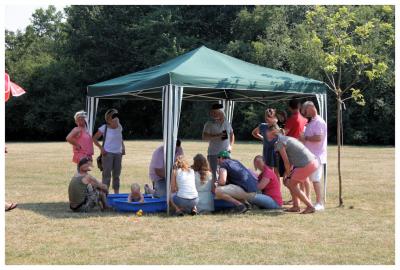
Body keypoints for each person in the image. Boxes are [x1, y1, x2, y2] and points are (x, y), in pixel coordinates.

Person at [267, 124, 318, 214]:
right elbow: (290, 160)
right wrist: (289, 174)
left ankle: (310, 206)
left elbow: (286, 161)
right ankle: (296, 206)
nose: (265, 134)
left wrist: (288, 175)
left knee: (291, 184)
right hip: (312, 162)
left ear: (273, 132)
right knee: (291, 183)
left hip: (306, 164)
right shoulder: (286, 139)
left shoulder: (280, 142)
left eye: (266, 132)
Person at [300, 101, 327, 211]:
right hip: (310, 156)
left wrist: (305, 138)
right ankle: (310, 200)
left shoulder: (319, 122)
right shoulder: (312, 122)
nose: (304, 114)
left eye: (305, 111)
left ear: (311, 108)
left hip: (317, 156)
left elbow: (318, 138)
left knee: (315, 180)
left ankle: (320, 203)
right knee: (309, 179)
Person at [93, 108, 125, 194]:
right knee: (106, 175)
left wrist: (123, 148)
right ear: (108, 118)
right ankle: (105, 194)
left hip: (118, 153)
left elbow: (120, 138)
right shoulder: (104, 128)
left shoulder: (120, 126)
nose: (116, 118)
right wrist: (101, 148)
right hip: (107, 154)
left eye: (117, 115)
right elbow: (94, 138)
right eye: (114, 116)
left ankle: (116, 194)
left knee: (116, 175)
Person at [202, 104, 235, 181]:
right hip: (214, 153)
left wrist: (231, 146)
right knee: (214, 175)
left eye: (215, 113)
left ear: (221, 113)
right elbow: (204, 137)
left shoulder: (227, 122)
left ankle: (224, 191)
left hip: (226, 153)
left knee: (227, 174)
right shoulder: (209, 124)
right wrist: (217, 136)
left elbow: (232, 134)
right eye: (212, 113)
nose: (213, 115)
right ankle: (214, 191)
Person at [251, 109, 284, 179]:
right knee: (268, 171)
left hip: (276, 152)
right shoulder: (263, 126)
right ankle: (269, 188)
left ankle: (277, 189)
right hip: (267, 151)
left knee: (276, 173)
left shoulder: (278, 128)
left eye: (269, 116)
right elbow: (254, 133)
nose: (267, 119)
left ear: (274, 117)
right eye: (266, 117)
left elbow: (283, 141)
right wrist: (263, 138)